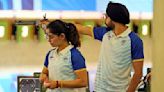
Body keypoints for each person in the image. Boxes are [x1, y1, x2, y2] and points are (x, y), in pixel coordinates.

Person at [75, 1, 144, 92]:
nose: (104, 18)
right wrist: (56, 25)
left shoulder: (134, 40)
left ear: (112, 18)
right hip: (99, 89)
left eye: (106, 16)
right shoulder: (105, 33)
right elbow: (81, 29)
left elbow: (138, 74)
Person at [39, 20, 88, 92]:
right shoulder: (50, 54)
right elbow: (44, 73)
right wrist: (43, 77)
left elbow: (83, 82)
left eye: (51, 37)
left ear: (62, 36)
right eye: (47, 36)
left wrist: (58, 84)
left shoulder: (74, 55)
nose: (49, 40)